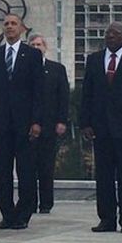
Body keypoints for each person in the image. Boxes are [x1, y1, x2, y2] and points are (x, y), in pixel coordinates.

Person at [80, 22, 122, 234]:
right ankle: (107, 219)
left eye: (115, 33)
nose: (110, 35)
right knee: (104, 176)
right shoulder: (93, 60)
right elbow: (87, 95)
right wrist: (85, 123)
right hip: (101, 128)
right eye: (107, 33)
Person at [0, 13, 44, 230]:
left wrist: (37, 121)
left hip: (25, 123)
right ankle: (7, 214)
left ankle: (23, 214)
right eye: (6, 24)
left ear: (22, 28)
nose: (9, 27)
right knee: (3, 170)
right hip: (1, 122)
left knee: (26, 171)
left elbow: (39, 91)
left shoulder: (33, 55)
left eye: (13, 24)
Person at [28, 34, 70, 214]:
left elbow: (63, 96)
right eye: (33, 45)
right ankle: (29, 202)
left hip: (50, 124)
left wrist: (62, 120)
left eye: (39, 44)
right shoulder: (22, 69)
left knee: (46, 167)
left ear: (45, 47)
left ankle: (46, 204)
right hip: (27, 126)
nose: (36, 47)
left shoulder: (56, 69)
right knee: (28, 167)